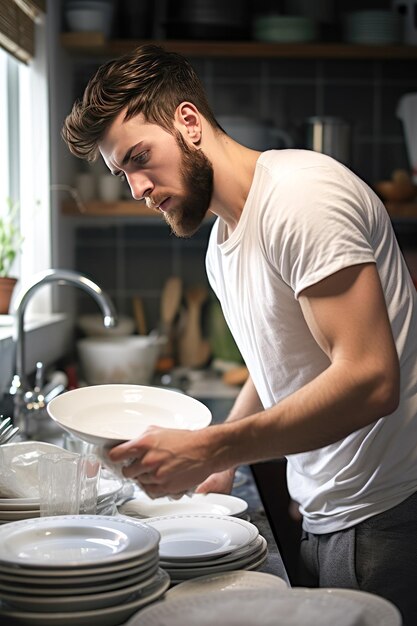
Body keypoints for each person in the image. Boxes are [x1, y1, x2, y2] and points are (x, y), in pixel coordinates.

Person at [62, 44, 417, 623]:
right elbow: (277, 356)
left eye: (139, 157)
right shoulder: (223, 245)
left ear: (188, 122)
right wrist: (221, 459)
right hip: (332, 510)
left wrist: (211, 447)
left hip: (389, 514)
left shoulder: (300, 198)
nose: (137, 188)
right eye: (122, 172)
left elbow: (372, 379)